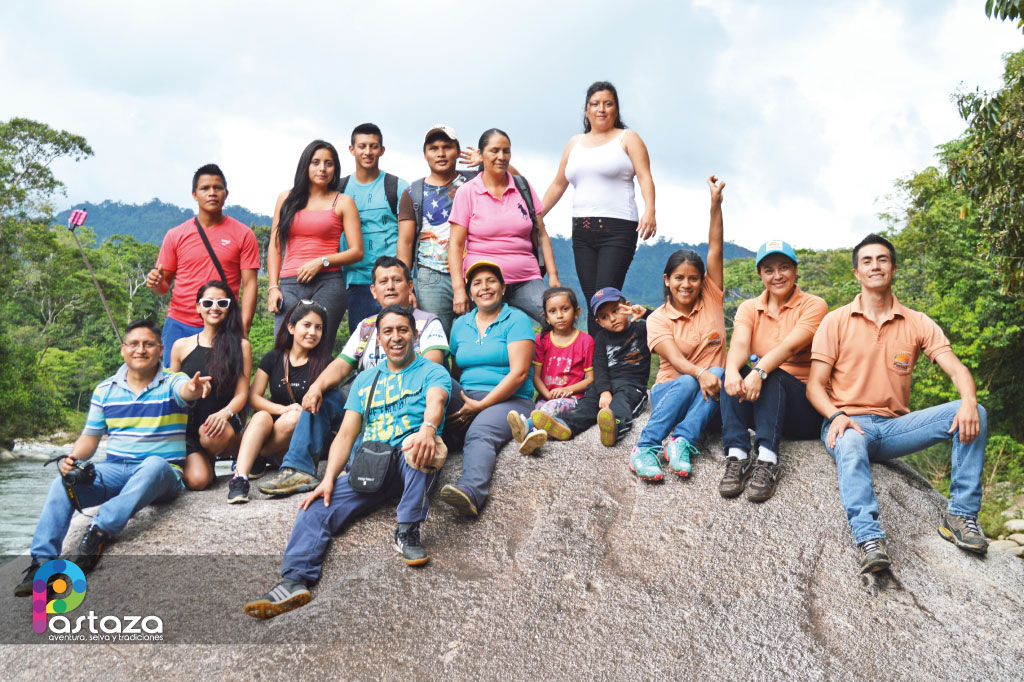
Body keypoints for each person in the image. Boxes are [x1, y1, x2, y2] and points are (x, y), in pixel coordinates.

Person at [243, 306, 451, 619]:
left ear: (415, 334)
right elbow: (345, 435)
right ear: (378, 339)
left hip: (409, 458)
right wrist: (328, 479)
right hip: (371, 465)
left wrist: (427, 428)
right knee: (315, 507)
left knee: (425, 447)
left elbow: (436, 402)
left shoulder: (433, 371)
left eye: (403, 330)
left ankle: (407, 528)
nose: (396, 337)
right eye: (388, 332)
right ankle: (295, 581)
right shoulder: (366, 379)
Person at [806, 233, 989, 574]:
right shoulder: (836, 321)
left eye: (882, 259)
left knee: (975, 411)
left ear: (893, 268)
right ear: (856, 273)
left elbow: (957, 368)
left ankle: (961, 515)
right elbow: (815, 387)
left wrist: (968, 398)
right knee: (849, 442)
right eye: (867, 261)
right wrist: (836, 416)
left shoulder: (917, 322)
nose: (875, 266)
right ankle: (868, 538)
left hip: (894, 429)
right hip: (849, 422)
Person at [14, 320, 210, 596]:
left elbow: (186, 391)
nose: (140, 350)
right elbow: (89, 439)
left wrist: (195, 388)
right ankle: (42, 562)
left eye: (148, 344)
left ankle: (99, 529)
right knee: (63, 484)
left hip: (161, 473)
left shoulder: (172, 381)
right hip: (115, 469)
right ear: (123, 350)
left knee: (155, 464)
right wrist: (71, 459)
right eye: (134, 344)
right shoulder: (105, 390)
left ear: (160, 350)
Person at [257, 256, 451, 498]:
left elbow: (432, 368)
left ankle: (357, 467)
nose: (390, 286)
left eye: (397, 280)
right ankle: (299, 469)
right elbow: (341, 365)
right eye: (383, 281)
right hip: (364, 398)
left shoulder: (426, 323)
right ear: (373, 291)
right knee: (324, 397)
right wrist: (316, 387)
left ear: (410, 287)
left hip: (403, 402)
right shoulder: (367, 327)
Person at [540, 81, 657, 335]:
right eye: (595, 104)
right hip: (582, 231)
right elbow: (559, 184)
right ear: (586, 110)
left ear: (616, 109)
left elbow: (645, 176)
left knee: (605, 297)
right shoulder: (575, 143)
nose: (601, 109)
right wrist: (534, 216)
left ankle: (608, 363)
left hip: (618, 229)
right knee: (594, 300)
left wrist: (650, 210)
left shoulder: (628, 138)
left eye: (608, 103)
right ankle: (597, 365)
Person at [630, 176, 727, 482]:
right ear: (667, 280)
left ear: (702, 282)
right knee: (688, 379)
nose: (686, 284)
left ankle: (681, 440)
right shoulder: (658, 319)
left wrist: (715, 205)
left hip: (710, 398)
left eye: (693, 278)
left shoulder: (711, 298)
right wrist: (701, 373)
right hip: (672, 393)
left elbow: (715, 247)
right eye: (679, 278)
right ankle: (645, 447)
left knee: (721, 375)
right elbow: (680, 363)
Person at [718, 241, 828, 502]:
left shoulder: (814, 305)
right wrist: (732, 371)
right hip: (764, 404)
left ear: (795, 270)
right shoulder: (749, 307)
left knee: (772, 373)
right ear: (760, 274)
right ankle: (738, 455)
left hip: (804, 408)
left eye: (784, 267)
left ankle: (767, 460)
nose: (777, 275)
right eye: (769, 269)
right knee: (729, 372)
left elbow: (790, 346)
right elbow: (741, 344)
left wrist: (759, 372)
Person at [438, 261, 536, 516]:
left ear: (503, 288)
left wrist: (480, 406)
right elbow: (456, 371)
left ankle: (471, 491)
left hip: (510, 400)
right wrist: (463, 401)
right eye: (477, 283)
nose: (485, 287)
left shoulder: (516, 319)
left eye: (491, 281)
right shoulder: (460, 325)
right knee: (435, 376)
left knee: (481, 430)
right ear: (470, 292)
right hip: (468, 398)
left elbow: (520, 374)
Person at [146, 164, 260, 366]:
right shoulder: (176, 235)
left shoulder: (243, 234)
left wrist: (243, 329)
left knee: (222, 388)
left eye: (218, 188)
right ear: (194, 194)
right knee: (174, 387)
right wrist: (156, 284)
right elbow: (164, 287)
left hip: (223, 325)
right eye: (205, 188)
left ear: (226, 194)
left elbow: (250, 284)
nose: (212, 193)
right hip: (180, 324)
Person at [448, 128, 560, 325]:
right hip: (483, 283)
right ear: (481, 155)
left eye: (506, 151)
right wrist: (459, 289)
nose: (501, 156)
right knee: (484, 333)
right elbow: (455, 245)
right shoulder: (467, 192)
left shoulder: (522, 186)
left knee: (556, 318)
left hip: (526, 278)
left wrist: (553, 278)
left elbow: (542, 235)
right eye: (494, 151)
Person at [227, 300, 333, 503]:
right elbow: (253, 397)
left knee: (296, 417)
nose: (313, 332)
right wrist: (283, 408)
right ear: (292, 328)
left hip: (294, 442)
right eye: (307, 325)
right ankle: (239, 479)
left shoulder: (325, 363)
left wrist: (291, 412)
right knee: (262, 417)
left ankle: (258, 454)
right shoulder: (273, 358)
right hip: (270, 428)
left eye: (318, 328)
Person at [526, 287, 651, 453]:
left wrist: (646, 313)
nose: (612, 319)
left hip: (631, 384)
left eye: (616, 310)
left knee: (621, 402)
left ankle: (615, 426)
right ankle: (566, 426)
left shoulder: (642, 329)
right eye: (605, 317)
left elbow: (666, 324)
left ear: (627, 306)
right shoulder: (601, 338)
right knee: (588, 404)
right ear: (598, 322)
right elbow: (599, 369)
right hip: (606, 383)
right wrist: (604, 391)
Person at [266, 140, 363, 353]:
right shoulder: (286, 198)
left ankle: (319, 388)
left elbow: (357, 251)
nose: (322, 168)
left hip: (327, 283)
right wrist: (273, 287)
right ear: (305, 165)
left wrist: (322, 261)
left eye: (329, 163)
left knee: (318, 350)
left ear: (335, 168)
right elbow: (275, 247)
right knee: (283, 347)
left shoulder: (343, 202)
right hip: (289, 284)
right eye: (316, 162)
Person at [397, 124, 482, 337]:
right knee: (434, 341)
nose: (441, 153)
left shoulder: (475, 181)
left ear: (458, 150)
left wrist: (486, 163)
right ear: (425, 154)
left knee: (472, 340)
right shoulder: (413, 192)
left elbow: (514, 181)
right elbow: (405, 243)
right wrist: (406, 286)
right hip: (430, 276)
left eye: (447, 147)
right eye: (434, 148)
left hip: (473, 272)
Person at [169, 281, 252, 490]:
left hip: (223, 425)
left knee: (210, 435)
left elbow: (242, 394)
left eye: (221, 303)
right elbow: (170, 391)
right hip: (189, 428)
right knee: (198, 481)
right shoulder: (181, 346)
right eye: (207, 302)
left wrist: (224, 415)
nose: (214, 308)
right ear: (198, 307)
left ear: (229, 307)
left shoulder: (241, 346)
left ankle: (227, 451)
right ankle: (203, 462)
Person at [339, 123, 410, 332]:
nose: (367, 152)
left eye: (373, 146)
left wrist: (405, 282)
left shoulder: (397, 186)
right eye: (362, 146)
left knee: (397, 340)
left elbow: (406, 239)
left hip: (391, 283)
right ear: (351, 149)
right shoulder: (339, 189)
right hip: (356, 282)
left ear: (382, 150)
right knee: (362, 348)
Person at [507, 287, 594, 455]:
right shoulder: (542, 340)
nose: (559, 315)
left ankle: (527, 428)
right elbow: (536, 376)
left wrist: (567, 390)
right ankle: (533, 436)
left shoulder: (585, 341)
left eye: (565, 309)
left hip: (571, 399)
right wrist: (546, 394)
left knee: (550, 409)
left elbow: (591, 378)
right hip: (546, 397)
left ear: (576, 312)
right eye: (553, 311)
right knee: (540, 410)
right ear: (546, 317)